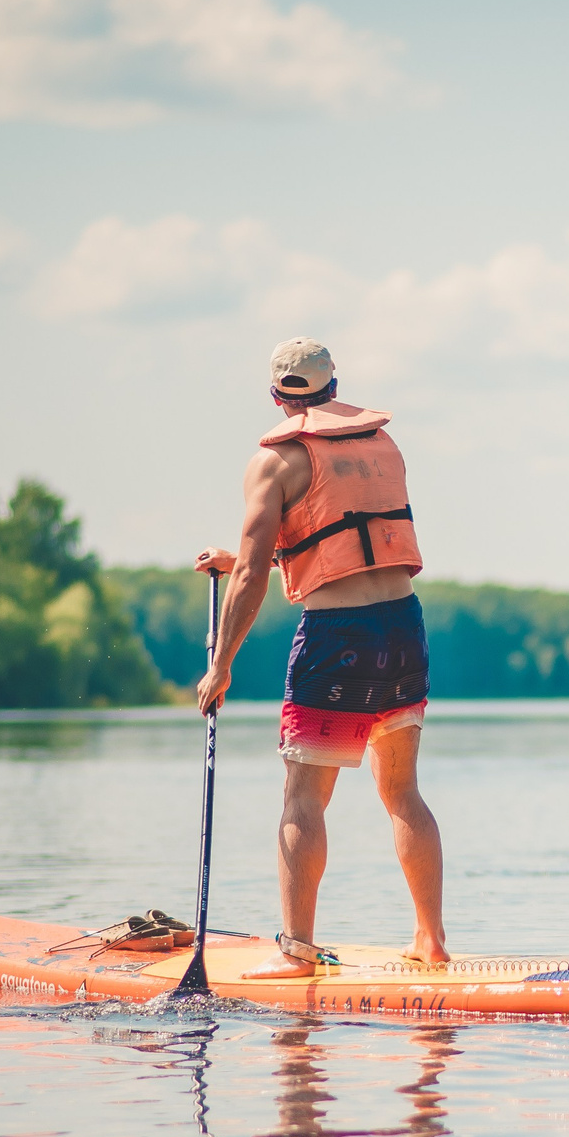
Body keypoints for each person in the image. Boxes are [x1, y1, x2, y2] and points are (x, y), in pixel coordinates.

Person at [193, 338, 447, 977]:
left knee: (304, 798)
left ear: (278, 397)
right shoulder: (383, 445)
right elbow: (344, 533)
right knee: (402, 792)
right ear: (335, 387)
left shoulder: (275, 462)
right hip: (403, 626)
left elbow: (252, 573)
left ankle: (299, 953)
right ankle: (431, 941)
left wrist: (220, 665)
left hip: (337, 636)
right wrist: (263, 558)